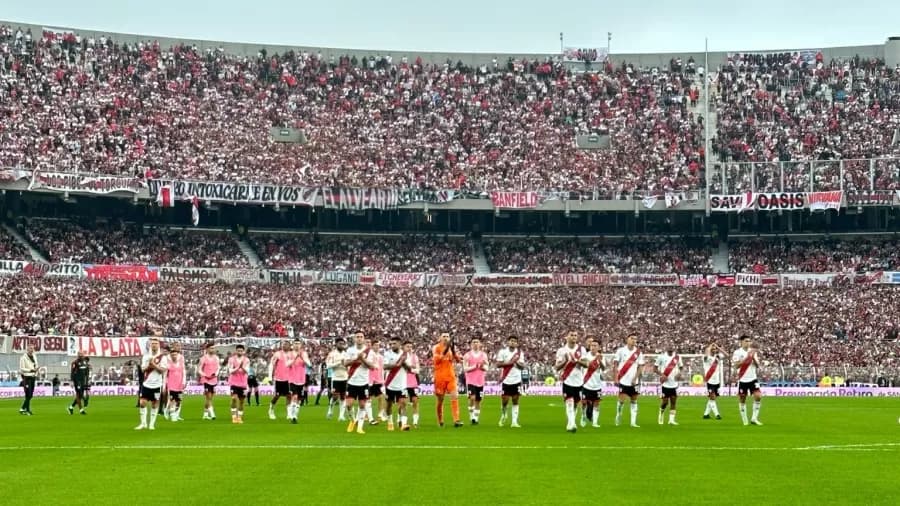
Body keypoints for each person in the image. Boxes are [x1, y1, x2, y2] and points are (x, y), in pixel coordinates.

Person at [555, 330, 588, 433]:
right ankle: (572, 424)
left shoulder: (581, 349)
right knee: (569, 402)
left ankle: (570, 422)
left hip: (579, 380)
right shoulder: (562, 350)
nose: (574, 337)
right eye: (571, 335)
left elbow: (586, 364)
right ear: (566, 337)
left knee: (575, 404)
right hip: (567, 380)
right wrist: (566, 361)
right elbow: (557, 367)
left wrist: (577, 361)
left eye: (575, 335)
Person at [344, 331, 375, 435]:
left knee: (362, 405)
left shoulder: (369, 351)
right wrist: (356, 359)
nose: (359, 338)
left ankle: (360, 427)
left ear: (364, 338)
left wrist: (363, 359)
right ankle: (353, 420)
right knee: (349, 405)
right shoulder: (350, 350)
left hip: (364, 382)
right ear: (354, 339)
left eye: (361, 336)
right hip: (352, 381)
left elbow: (371, 366)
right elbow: (345, 363)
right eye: (357, 337)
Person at [135, 337, 169, 430]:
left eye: (156, 344)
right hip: (146, 383)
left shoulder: (163, 357)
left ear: (159, 345)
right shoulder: (146, 356)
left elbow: (163, 370)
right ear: (150, 345)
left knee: (155, 404)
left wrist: (153, 365)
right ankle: (143, 423)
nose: (154, 345)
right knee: (142, 403)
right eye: (152, 344)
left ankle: (151, 424)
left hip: (157, 385)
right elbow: (142, 369)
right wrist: (148, 366)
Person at [613, 334, 644, 428]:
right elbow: (615, 365)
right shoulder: (621, 351)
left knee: (634, 401)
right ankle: (618, 415)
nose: (634, 340)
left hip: (634, 381)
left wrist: (635, 378)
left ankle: (633, 422)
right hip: (623, 380)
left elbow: (640, 366)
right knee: (621, 401)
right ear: (627, 339)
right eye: (632, 338)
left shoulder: (638, 353)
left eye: (635, 339)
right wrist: (615, 378)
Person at [432, 332, 463, 428]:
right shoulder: (436, 348)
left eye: (447, 336)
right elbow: (437, 360)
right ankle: (440, 419)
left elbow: (458, 360)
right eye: (444, 336)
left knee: (454, 396)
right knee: (440, 400)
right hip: (440, 377)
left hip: (451, 377)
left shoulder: (451, 348)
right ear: (440, 338)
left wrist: (453, 350)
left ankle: (456, 420)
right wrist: (446, 349)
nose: (446, 338)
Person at [495, 335, 525, 428]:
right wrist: (509, 363)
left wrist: (516, 362)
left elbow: (522, 367)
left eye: (515, 341)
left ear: (517, 343)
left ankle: (514, 421)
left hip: (516, 379)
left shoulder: (519, 353)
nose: (513, 342)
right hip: (506, 379)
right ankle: (504, 415)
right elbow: (498, 365)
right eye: (511, 341)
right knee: (505, 400)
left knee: (515, 400)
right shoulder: (503, 352)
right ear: (508, 342)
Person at [733, 335, 763, 426]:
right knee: (742, 399)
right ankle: (745, 420)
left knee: (758, 396)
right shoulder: (737, 352)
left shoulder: (753, 352)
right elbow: (736, 366)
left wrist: (753, 357)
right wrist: (746, 359)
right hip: (743, 379)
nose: (748, 342)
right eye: (746, 341)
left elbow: (758, 365)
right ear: (741, 342)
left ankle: (754, 419)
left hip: (753, 378)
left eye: (749, 341)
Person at [382, 336, 411, 431]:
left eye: (394, 343)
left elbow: (409, 369)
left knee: (403, 404)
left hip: (402, 384)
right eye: (391, 344)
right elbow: (385, 366)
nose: (392, 345)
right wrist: (396, 364)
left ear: (399, 344)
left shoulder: (405, 355)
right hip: (390, 384)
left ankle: (404, 424)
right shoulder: (387, 354)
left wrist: (404, 363)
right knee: (389, 405)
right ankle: (390, 422)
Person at [654, 348, 684, 426]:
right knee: (665, 402)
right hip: (665, 384)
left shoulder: (677, 357)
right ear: (666, 348)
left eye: (672, 346)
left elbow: (681, 367)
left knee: (673, 402)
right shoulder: (661, 357)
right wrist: (662, 375)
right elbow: (655, 368)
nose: (670, 348)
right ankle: (661, 415)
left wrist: (680, 374)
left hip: (674, 384)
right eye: (669, 346)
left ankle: (671, 420)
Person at [463, 337, 489, 425]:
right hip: (471, 380)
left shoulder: (484, 355)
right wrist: (475, 366)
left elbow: (487, 367)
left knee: (478, 400)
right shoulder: (467, 355)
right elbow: (465, 369)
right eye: (474, 342)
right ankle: (472, 416)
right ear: (471, 344)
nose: (475, 343)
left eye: (477, 342)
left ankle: (476, 418)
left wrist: (482, 367)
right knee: (472, 398)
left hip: (480, 380)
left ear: (480, 344)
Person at [581, 338, 606, 428]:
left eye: (595, 345)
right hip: (586, 384)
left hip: (597, 385)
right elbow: (584, 365)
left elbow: (604, 369)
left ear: (598, 347)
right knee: (583, 403)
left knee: (596, 404)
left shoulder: (601, 356)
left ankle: (595, 422)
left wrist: (600, 361)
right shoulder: (585, 356)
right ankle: (583, 417)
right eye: (591, 345)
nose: (593, 347)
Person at [288, 339, 311, 424]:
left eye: (298, 343)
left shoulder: (304, 353)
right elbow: (287, 364)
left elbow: (309, 364)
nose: (297, 345)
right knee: (294, 397)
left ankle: (295, 416)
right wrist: (295, 358)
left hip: (301, 379)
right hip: (292, 379)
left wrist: (302, 357)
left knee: (299, 400)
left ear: (301, 345)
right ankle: (292, 416)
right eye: (295, 343)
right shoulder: (290, 354)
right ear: (293, 345)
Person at [268, 341, 293, 420]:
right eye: (284, 344)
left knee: (289, 396)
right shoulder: (277, 354)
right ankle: (271, 410)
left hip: (288, 379)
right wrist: (269, 377)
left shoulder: (292, 355)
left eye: (287, 344)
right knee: (277, 395)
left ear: (289, 346)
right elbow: (271, 364)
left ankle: (289, 413)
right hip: (278, 378)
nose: (285, 346)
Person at [325, 338, 349, 421]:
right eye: (340, 344)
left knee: (343, 397)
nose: (341, 345)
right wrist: (339, 363)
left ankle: (341, 415)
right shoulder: (332, 354)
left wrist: (346, 366)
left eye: (343, 344)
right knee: (335, 396)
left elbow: (349, 365)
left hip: (344, 377)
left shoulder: (346, 354)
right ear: (336, 344)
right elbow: (328, 366)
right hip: (335, 378)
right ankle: (330, 410)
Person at [366, 339, 387, 425]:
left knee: (381, 397)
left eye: (378, 345)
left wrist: (383, 379)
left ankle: (380, 413)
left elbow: (382, 369)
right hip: (370, 380)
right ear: (372, 346)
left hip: (379, 380)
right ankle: (367, 415)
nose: (377, 347)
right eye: (375, 345)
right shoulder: (370, 355)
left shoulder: (381, 357)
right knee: (368, 399)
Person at [228, 344, 250, 424]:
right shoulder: (231, 359)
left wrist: (242, 367)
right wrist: (238, 367)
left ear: (243, 351)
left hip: (243, 383)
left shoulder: (246, 360)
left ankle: (239, 417)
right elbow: (230, 371)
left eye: (241, 351)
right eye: (238, 350)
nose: (240, 352)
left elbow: (247, 371)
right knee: (234, 398)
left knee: (241, 401)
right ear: (236, 351)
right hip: (233, 382)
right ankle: (234, 417)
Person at [165, 342, 186, 422]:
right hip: (171, 382)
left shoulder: (181, 357)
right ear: (172, 346)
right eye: (176, 345)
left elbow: (183, 370)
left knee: (180, 399)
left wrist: (184, 380)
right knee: (172, 399)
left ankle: (177, 414)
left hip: (180, 382)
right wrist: (165, 382)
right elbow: (166, 371)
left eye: (179, 346)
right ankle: (170, 412)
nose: (178, 347)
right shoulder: (167, 358)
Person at [199, 344, 220, 420]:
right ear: (207, 349)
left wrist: (216, 374)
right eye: (211, 348)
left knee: (210, 398)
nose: (213, 349)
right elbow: (199, 369)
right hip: (206, 379)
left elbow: (218, 368)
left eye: (213, 348)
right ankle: (212, 414)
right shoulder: (203, 358)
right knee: (208, 397)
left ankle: (205, 414)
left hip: (213, 379)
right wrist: (205, 375)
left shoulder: (216, 358)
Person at [703, 343, 724, 420]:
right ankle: (717, 414)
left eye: (715, 349)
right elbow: (706, 353)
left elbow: (727, 355)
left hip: (717, 381)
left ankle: (706, 414)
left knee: (712, 398)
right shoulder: (706, 358)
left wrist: (718, 347)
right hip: (709, 380)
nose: (714, 350)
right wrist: (710, 346)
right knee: (712, 397)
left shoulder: (718, 357)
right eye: (713, 349)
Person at [403, 341, 421, 428]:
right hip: (403, 383)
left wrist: (410, 369)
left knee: (415, 402)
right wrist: (411, 367)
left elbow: (418, 370)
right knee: (403, 403)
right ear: (404, 347)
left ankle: (415, 422)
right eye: (407, 346)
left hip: (413, 383)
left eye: (410, 346)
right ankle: (403, 422)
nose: (409, 348)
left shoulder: (415, 357)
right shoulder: (401, 357)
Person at [68, 350, 90, 415]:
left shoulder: (85, 362)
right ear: (78, 355)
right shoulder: (75, 363)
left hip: (83, 381)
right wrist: (72, 381)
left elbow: (87, 373)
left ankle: (71, 407)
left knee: (79, 396)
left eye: (81, 354)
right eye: (79, 354)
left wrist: (87, 381)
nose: (80, 355)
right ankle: (81, 409)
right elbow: (72, 372)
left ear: (83, 355)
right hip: (77, 380)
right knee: (79, 393)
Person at [19, 344, 38, 415]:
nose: (32, 350)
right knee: (28, 394)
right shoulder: (23, 358)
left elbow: (36, 365)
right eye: (30, 348)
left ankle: (22, 408)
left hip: (33, 377)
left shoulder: (34, 356)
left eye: (33, 348)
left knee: (31, 395)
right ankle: (27, 410)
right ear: (27, 349)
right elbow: (22, 368)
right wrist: (31, 370)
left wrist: (36, 369)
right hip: (27, 377)